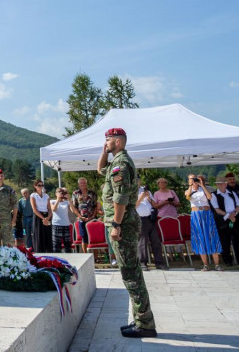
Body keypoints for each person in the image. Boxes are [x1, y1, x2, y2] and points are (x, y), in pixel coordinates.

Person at [98, 127, 156, 338]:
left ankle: (145, 324)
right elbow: (99, 169)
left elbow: (120, 198)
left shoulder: (121, 165)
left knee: (131, 274)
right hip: (124, 222)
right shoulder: (116, 162)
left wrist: (116, 224)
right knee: (130, 272)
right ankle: (142, 319)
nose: (106, 142)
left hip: (123, 224)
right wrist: (104, 151)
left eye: (109, 140)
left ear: (119, 142)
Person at [185, 174, 222, 270]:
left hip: (206, 214)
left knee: (211, 236)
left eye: (194, 178)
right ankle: (205, 264)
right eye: (191, 179)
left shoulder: (204, 189)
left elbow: (210, 197)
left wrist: (202, 185)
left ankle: (217, 264)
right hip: (196, 215)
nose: (194, 180)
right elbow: (187, 197)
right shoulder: (188, 190)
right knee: (199, 237)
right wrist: (190, 185)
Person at [211, 176, 239, 266]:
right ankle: (227, 260)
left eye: (222, 183)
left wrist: (234, 213)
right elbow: (216, 209)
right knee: (225, 241)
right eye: (219, 184)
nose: (221, 185)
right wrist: (228, 215)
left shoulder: (232, 193)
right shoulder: (214, 195)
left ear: (226, 184)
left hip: (234, 219)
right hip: (224, 221)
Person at [135, 184, 165, 269]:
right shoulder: (130, 191)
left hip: (150, 218)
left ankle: (159, 262)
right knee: (142, 242)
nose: (138, 182)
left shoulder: (146, 190)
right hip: (140, 219)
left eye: (138, 180)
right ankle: (143, 263)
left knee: (156, 241)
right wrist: (140, 198)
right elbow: (131, 207)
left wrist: (149, 198)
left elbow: (154, 204)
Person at [70, 177, 99, 252]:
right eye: (81, 183)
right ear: (79, 184)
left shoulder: (92, 193)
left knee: (94, 237)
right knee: (84, 237)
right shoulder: (75, 193)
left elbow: (96, 206)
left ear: (86, 183)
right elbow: (74, 207)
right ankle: (85, 255)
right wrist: (80, 216)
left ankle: (95, 258)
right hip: (81, 218)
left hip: (92, 218)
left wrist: (93, 216)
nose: (83, 184)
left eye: (84, 183)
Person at [30, 180, 53, 252]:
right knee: (39, 236)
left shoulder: (46, 196)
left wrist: (48, 218)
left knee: (48, 236)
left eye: (42, 185)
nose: (41, 187)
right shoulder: (33, 195)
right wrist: (43, 218)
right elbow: (34, 209)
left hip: (47, 216)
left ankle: (49, 253)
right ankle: (39, 253)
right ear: (35, 186)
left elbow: (49, 208)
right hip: (38, 216)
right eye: (39, 185)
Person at [49, 186, 73, 253]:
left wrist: (69, 200)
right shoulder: (52, 201)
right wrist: (58, 200)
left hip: (66, 225)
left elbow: (73, 210)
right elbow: (53, 209)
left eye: (62, 192)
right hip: (56, 225)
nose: (61, 194)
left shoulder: (67, 202)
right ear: (56, 193)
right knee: (56, 246)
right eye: (59, 192)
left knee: (68, 245)